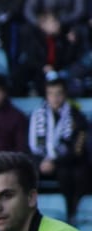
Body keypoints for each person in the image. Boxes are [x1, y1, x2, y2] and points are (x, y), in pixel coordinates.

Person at [27, 75, 89, 217]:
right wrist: (41, 161)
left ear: (65, 94)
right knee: (24, 173)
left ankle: (70, 213)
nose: (55, 98)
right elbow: (29, 146)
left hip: (64, 163)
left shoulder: (76, 116)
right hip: (40, 161)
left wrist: (54, 162)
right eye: (51, 93)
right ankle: (28, 215)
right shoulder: (36, 116)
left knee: (73, 174)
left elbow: (77, 149)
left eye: (58, 93)